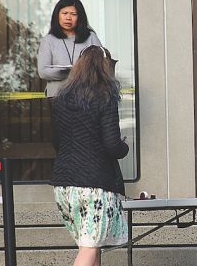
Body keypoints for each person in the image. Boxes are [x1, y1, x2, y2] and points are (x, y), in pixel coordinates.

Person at [50, 45, 128, 266]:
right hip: (94, 185)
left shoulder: (61, 99)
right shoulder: (105, 97)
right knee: (89, 248)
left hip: (64, 184)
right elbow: (112, 145)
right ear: (105, 68)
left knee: (89, 247)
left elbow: (55, 142)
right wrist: (125, 148)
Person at [37, 0, 102, 98]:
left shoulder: (91, 37)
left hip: (87, 98)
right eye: (64, 13)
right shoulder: (48, 40)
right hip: (58, 98)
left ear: (80, 17)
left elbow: (101, 67)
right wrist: (73, 72)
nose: (68, 18)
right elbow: (43, 72)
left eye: (73, 14)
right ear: (57, 15)